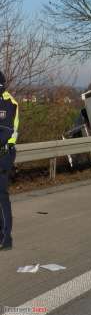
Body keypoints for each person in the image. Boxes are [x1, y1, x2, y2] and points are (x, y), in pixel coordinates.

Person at [0, 71, 19, 251]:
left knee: (1, 196)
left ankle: (5, 239)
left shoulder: (7, 102)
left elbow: (4, 133)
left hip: (3, 154)